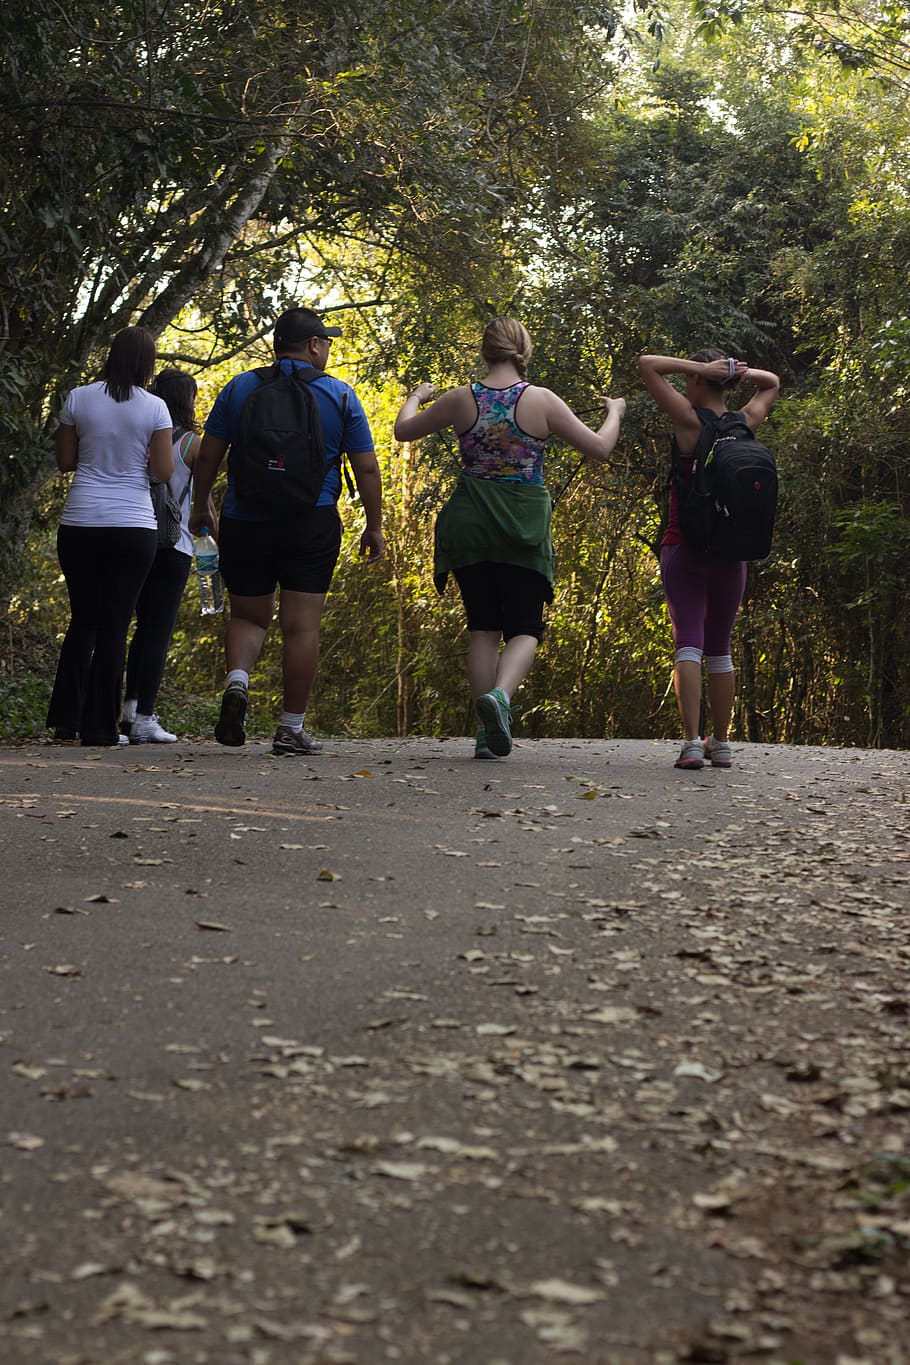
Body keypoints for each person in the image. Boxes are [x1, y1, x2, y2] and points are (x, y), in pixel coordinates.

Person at [394, 316, 625, 759]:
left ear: (485, 350)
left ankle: (485, 734)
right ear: (524, 349)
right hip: (522, 526)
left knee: (482, 624)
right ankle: (500, 697)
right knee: (525, 626)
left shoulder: (461, 399)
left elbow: (404, 430)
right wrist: (614, 411)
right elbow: (600, 448)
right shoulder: (541, 400)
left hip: (470, 524)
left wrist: (416, 397)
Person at [189, 306, 385, 755]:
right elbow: (368, 468)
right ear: (314, 346)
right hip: (310, 522)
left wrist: (201, 506)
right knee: (301, 628)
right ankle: (290, 729)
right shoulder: (339, 396)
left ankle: (238, 683)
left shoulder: (240, 388)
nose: (329, 349)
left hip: (245, 518)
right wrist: (373, 526)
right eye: (327, 342)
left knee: (247, 617)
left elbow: (208, 456)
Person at [638, 349, 780, 770]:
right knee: (720, 648)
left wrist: (699, 367)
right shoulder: (744, 422)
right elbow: (771, 382)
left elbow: (647, 365)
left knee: (688, 642)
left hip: (684, 548)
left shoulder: (688, 421)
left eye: (693, 377)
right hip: (732, 554)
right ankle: (721, 741)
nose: (686, 383)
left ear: (701, 380)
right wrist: (738, 371)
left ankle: (691, 744)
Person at [46, 327, 173, 747]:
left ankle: (67, 719)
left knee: (83, 620)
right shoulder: (155, 408)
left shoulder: (78, 398)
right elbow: (162, 472)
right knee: (116, 624)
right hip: (132, 524)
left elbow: (65, 462)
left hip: (81, 520)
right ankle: (100, 729)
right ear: (146, 363)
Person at [121, 368, 217, 743]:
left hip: (133, 534)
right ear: (186, 400)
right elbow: (204, 501)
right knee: (156, 632)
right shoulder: (193, 444)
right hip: (174, 545)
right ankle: (145, 715)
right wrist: (215, 545)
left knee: (132, 629)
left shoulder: (141, 434)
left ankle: (129, 713)